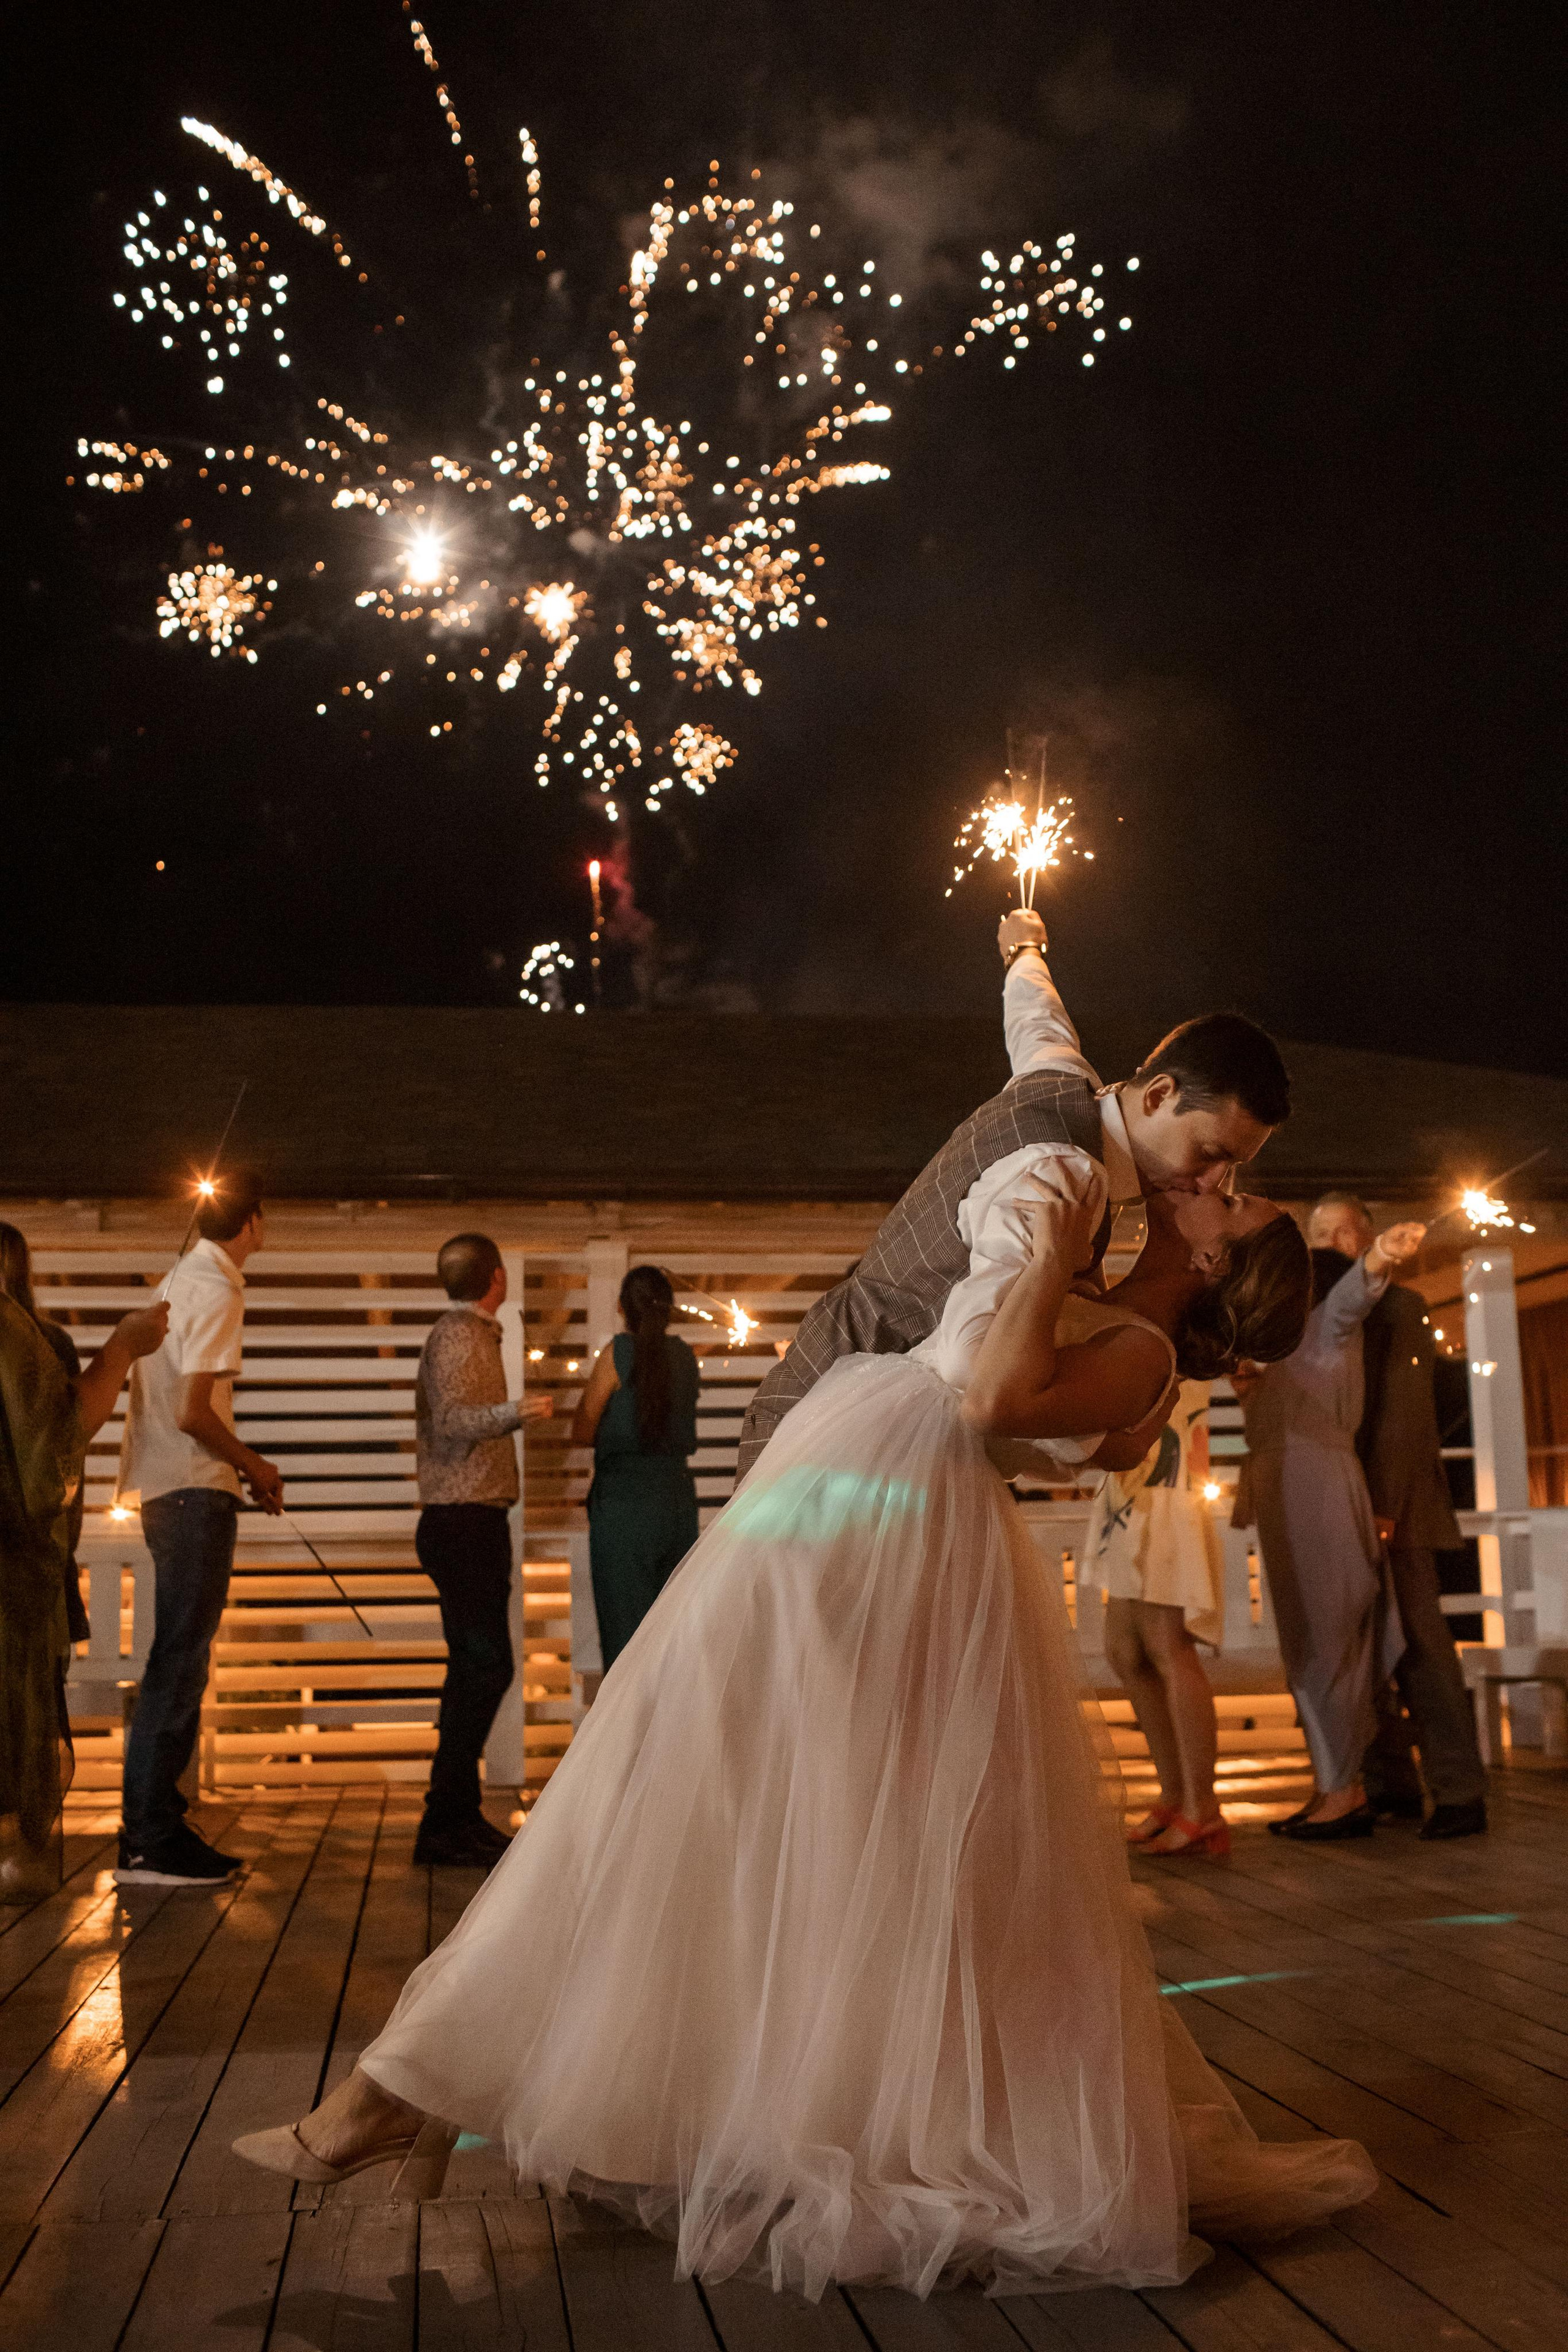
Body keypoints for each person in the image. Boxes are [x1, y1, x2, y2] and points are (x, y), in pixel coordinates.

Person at [230, 1123, 1374, 2299]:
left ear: (1224, 1265)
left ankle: (413, 2090)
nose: (1215, 1185)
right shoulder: (1098, 1276)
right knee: (675, 1780)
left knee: (686, 1782)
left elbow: (987, 1402)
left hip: (881, 1546)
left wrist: (1038, 1239)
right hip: (837, 1501)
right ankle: (434, 2084)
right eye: (1226, 1174)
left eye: (1232, 1202)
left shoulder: (1135, 1348)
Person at [737, 907, 1294, 1480]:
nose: (1211, 1183)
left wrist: (1023, 954)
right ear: (1158, 1096)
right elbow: (973, 1366)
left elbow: (1039, 1026)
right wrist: (1104, 1438)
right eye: (1210, 1154)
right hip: (834, 1439)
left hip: (841, 1406)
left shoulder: (1057, 1082)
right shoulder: (1064, 1176)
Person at [115, 1172, 283, 1889]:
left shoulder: (176, 1278)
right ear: (252, 1224)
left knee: (175, 1660)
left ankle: (155, 1830)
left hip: (163, 1489)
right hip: (191, 1491)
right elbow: (192, 1411)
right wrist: (253, 1463)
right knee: (180, 1664)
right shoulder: (217, 1287)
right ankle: (152, 1839)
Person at [1233, 1219, 1426, 1842]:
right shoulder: (1273, 1350)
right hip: (1286, 1489)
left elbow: (1353, 1298)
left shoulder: (1328, 1331)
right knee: (1306, 1646)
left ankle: (1342, 1791)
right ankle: (1331, 1783)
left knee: (1328, 1642)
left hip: (1316, 1489)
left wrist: (1377, 1256)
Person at [1307, 1194, 1487, 1840]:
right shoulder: (1321, 1313)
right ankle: (1390, 1783)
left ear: (1367, 1238)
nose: (1328, 1244)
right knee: (1356, 1650)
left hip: (1398, 1504)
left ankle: (1459, 1788)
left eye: (1339, 1233)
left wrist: (1382, 1505)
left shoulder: (1401, 1307)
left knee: (1419, 1645)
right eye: (1318, 1235)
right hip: (1339, 1499)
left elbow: (1403, 1416)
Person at [1, 1227, 167, 1900]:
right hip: (12, 1574)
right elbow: (61, 1438)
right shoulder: (32, 1343)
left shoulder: (37, 1344)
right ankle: (16, 1862)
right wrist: (124, 1348)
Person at [413, 1234, 552, 1870]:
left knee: (475, 1668)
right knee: (485, 1666)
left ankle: (454, 1816)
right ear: (496, 1277)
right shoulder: (461, 1335)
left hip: (472, 1520)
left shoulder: (471, 1333)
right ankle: (445, 1819)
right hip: (463, 1519)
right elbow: (452, 1421)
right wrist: (516, 1412)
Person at [1092, 1381, 1230, 1858]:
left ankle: (1203, 1804)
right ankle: (1174, 1794)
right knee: (1125, 1652)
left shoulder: (1173, 1334)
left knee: (1167, 1644)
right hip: (1130, 1485)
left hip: (1167, 1484)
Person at [572, 1265, 701, 1672]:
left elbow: (583, 1429)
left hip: (624, 1508)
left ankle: (628, 1734)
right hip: (676, 1501)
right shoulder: (684, 1357)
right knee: (673, 1635)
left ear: (621, 1308)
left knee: (626, 1638)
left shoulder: (616, 1355)